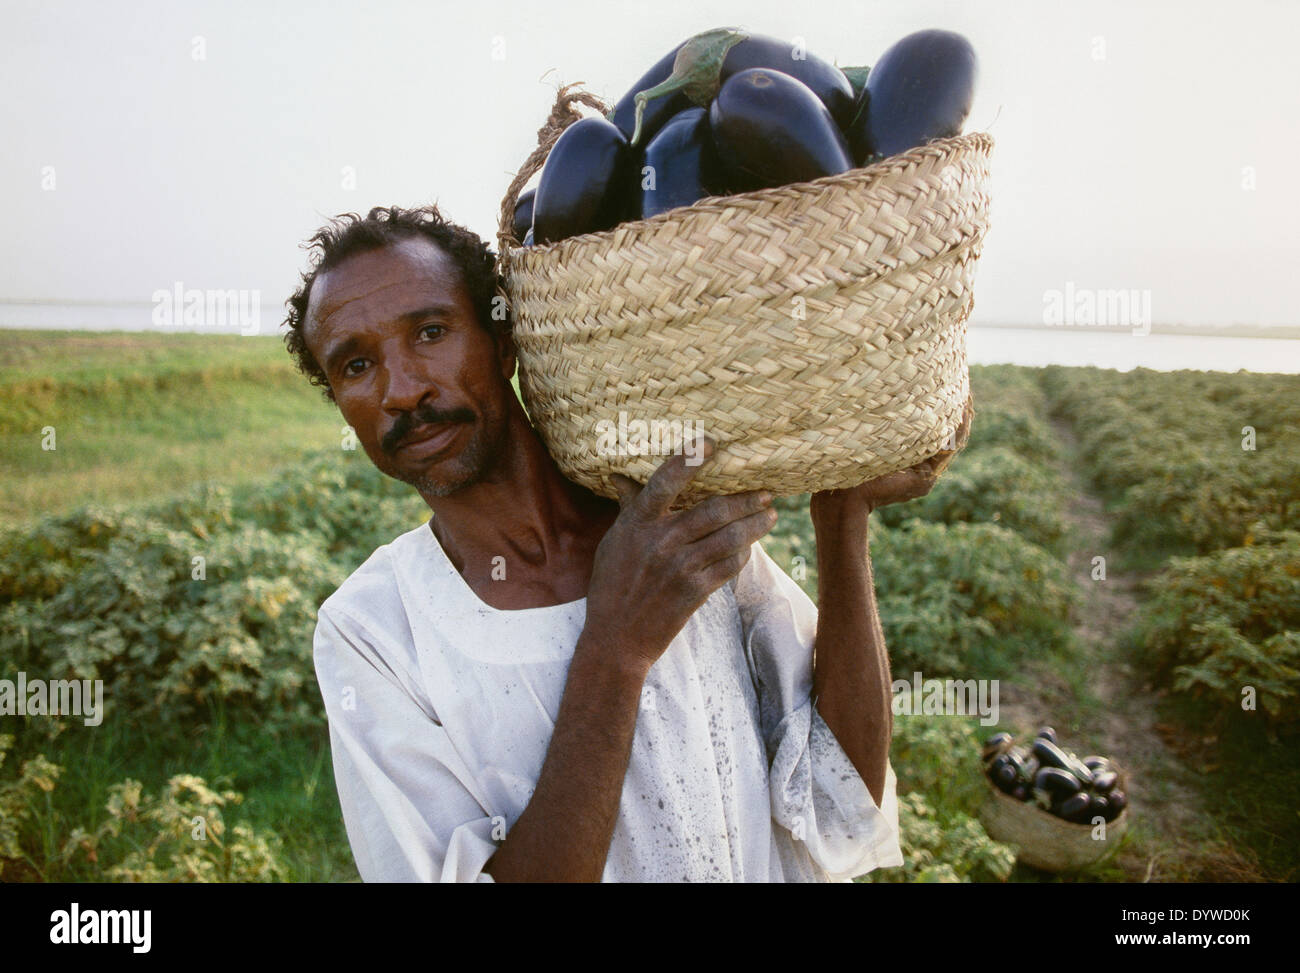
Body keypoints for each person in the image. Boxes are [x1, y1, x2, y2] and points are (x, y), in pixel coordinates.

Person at [284, 204, 963, 883]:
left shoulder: (669, 525)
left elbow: (843, 797)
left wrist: (842, 516)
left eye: (431, 331)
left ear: (503, 340)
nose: (402, 389)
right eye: (355, 365)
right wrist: (615, 646)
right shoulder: (371, 632)